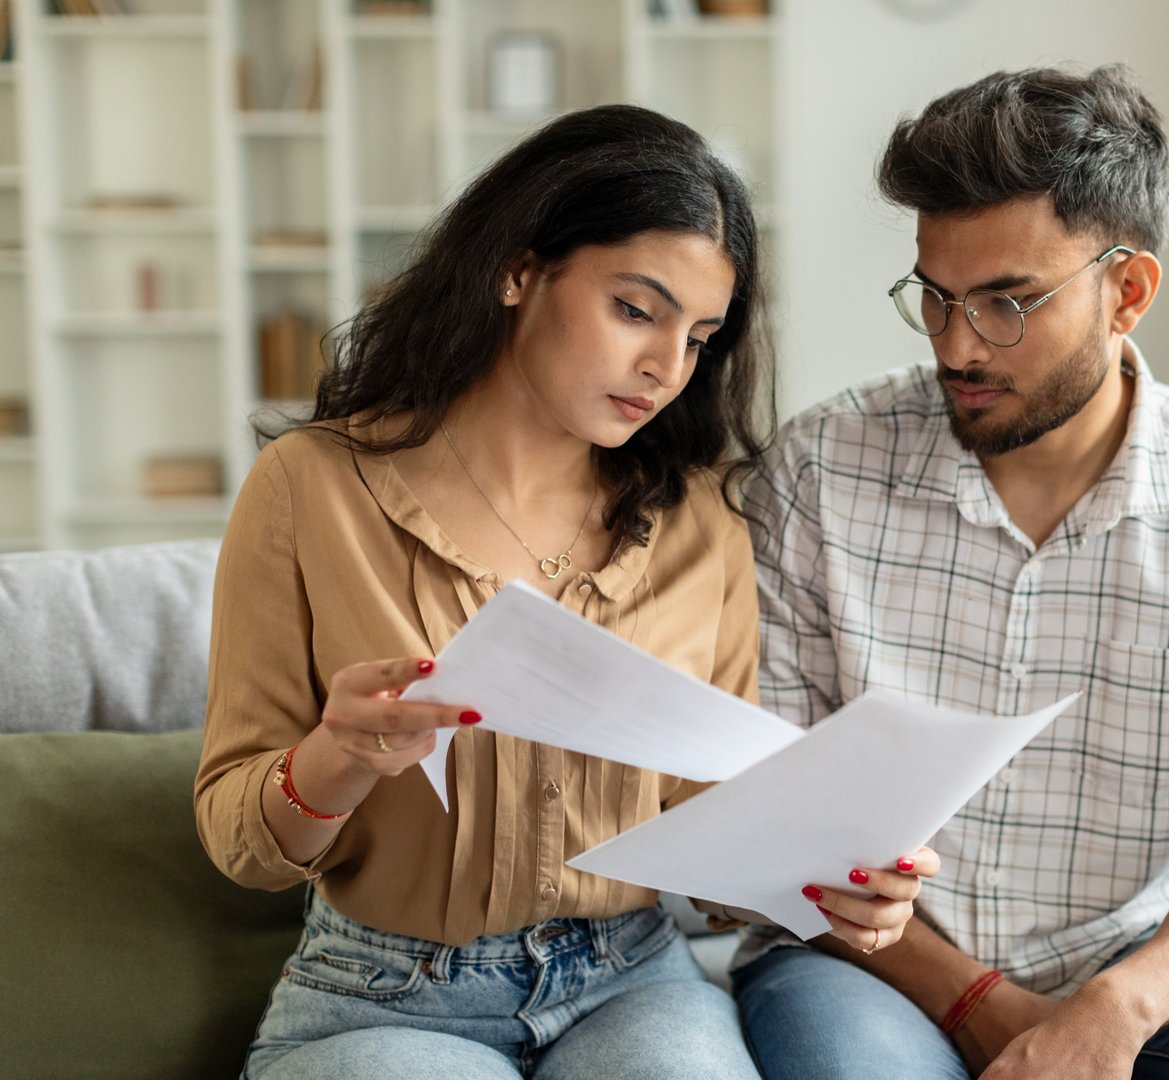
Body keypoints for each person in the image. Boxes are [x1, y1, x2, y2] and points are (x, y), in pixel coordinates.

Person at [194, 104, 931, 1080]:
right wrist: (341, 754)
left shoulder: (700, 520)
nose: (667, 369)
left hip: (629, 981)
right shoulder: (312, 488)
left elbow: (711, 820)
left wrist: (826, 882)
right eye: (636, 309)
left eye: (699, 337)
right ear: (518, 268)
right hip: (381, 993)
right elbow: (240, 841)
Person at [732, 66, 1169, 1079]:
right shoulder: (820, 470)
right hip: (867, 964)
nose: (958, 345)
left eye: (1009, 303)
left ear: (1126, 292)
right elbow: (765, 802)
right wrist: (977, 1001)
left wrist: (1120, 1005)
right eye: (936, 296)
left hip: (1128, 961)